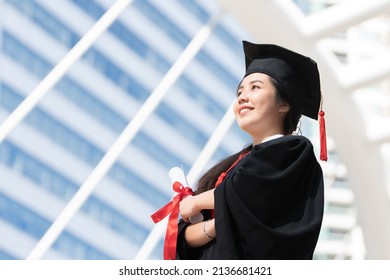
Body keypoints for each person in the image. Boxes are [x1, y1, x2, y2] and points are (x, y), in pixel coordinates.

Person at [175, 41, 325, 260]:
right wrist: (220, 223)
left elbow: (251, 190)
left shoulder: (295, 152)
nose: (242, 97)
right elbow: (185, 236)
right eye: (239, 91)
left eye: (255, 87)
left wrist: (196, 203)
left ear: (284, 104)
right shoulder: (232, 165)